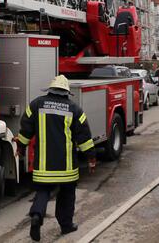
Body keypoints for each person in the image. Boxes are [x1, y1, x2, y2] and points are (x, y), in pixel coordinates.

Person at [17, 75, 96, 241]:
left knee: (43, 191)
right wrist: (91, 158)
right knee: (67, 195)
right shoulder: (75, 109)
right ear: (67, 92)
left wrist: (20, 147)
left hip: (43, 166)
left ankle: (37, 216)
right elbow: (84, 137)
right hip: (67, 167)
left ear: (50, 89)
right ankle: (66, 226)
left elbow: (25, 129)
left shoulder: (36, 104)